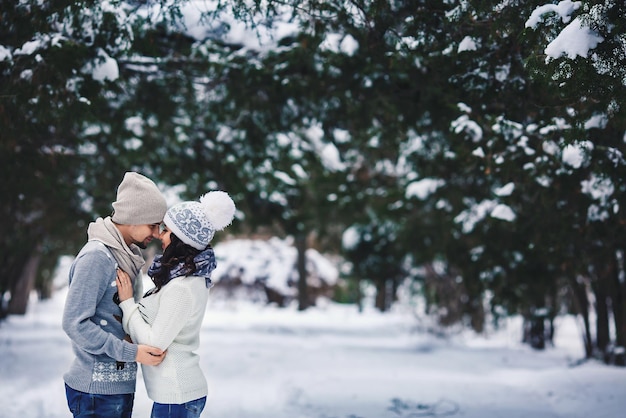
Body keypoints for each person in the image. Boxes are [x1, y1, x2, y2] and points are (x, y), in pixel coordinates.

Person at [115, 190, 235, 418]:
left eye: (167, 231)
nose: (160, 235)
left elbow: (154, 344)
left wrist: (127, 303)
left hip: (177, 395)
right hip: (176, 395)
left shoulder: (182, 287)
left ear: (183, 238)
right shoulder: (180, 279)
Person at [62, 171, 169, 418]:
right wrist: (132, 353)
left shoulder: (125, 257)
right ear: (133, 218)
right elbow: (75, 323)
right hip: (95, 392)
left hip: (116, 387)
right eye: (152, 224)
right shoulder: (97, 258)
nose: (156, 232)